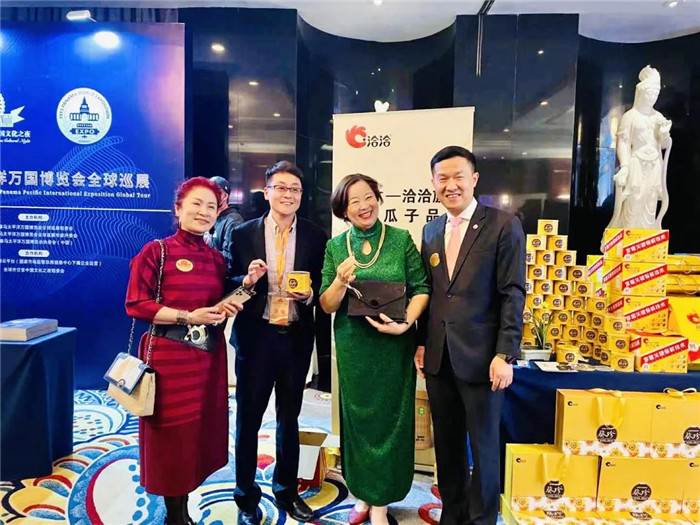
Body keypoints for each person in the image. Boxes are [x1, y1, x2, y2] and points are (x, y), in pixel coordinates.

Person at [125, 177, 245, 525]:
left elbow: (215, 306)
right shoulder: (156, 252)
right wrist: (187, 316)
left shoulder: (216, 260)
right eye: (196, 204)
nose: (204, 212)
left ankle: (184, 505)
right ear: (178, 209)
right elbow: (136, 304)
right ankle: (174, 514)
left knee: (197, 433)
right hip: (169, 359)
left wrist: (237, 295)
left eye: (211, 207)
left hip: (206, 359)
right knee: (171, 435)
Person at [415, 146, 525, 525]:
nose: (451, 185)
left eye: (458, 177)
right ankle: (454, 515)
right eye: (442, 178)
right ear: (433, 183)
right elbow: (429, 293)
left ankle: (482, 520)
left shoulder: (502, 225)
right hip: (439, 357)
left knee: (484, 447)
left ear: (474, 179)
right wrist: (421, 342)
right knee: (447, 447)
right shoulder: (431, 230)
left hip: (483, 359)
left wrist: (505, 354)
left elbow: (513, 293)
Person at [319, 174, 430, 525]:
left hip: (394, 346)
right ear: (344, 210)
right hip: (355, 348)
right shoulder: (336, 246)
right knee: (358, 421)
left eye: (369, 197)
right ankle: (363, 493)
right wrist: (340, 281)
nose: (364, 205)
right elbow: (326, 304)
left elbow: (422, 288)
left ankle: (381, 501)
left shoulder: (399, 239)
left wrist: (406, 322)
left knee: (392, 420)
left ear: (378, 199)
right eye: (354, 201)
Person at [227, 161, 328, 525]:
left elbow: (322, 284)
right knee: (248, 420)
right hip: (256, 339)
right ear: (267, 192)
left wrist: (310, 294)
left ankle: (286, 491)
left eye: (295, 189)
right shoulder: (244, 234)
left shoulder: (316, 235)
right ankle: (245, 498)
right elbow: (228, 283)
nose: (288, 195)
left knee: (289, 418)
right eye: (281, 187)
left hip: (295, 338)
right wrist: (247, 280)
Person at [603, 65, 672, 236]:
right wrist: (625, 167)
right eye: (649, 93)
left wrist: (664, 134)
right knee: (634, 199)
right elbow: (623, 143)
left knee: (650, 200)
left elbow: (664, 145)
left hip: (654, 164)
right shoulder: (630, 117)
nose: (652, 97)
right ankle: (629, 238)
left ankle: (647, 239)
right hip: (636, 162)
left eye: (655, 94)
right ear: (641, 93)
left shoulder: (658, 117)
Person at [206, 175, 244, 260]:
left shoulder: (234, 221)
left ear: (225, 196)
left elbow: (229, 259)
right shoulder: (208, 217)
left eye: (216, 191)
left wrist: (203, 256)